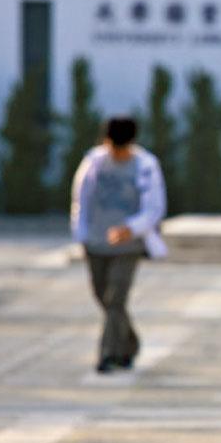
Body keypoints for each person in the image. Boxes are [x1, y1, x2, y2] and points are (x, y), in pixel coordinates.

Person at [70, 116, 168, 374]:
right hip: (97, 241)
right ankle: (129, 342)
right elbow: (81, 199)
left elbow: (154, 207)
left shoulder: (145, 166)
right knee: (102, 296)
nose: (118, 153)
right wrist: (81, 235)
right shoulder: (94, 163)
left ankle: (108, 353)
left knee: (116, 298)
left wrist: (132, 228)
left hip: (129, 245)